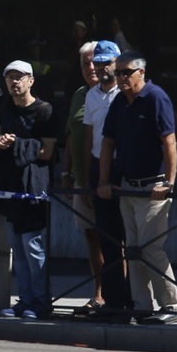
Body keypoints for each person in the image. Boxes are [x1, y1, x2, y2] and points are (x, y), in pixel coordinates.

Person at [98, 50, 177, 324]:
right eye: (117, 72)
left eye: (126, 72)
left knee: (150, 249)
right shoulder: (119, 102)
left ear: (141, 73)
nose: (120, 77)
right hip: (127, 186)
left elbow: (169, 142)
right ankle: (141, 306)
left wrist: (169, 182)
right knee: (132, 250)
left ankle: (172, 306)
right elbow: (107, 143)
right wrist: (103, 181)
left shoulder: (155, 97)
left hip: (152, 188)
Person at [0, 61, 57, 320]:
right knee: (17, 246)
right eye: (9, 78)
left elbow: (47, 151)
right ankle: (24, 300)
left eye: (19, 77)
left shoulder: (44, 110)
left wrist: (19, 145)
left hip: (33, 187)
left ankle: (41, 301)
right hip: (8, 184)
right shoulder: (2, 104)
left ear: (31, 81)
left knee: (33, 247)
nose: (14, 83)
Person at [82, 40, 132, 316]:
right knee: (106, 237)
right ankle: (113, 301)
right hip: (97, 165)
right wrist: (88, 170)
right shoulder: (91, 95)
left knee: (128, 238)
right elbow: (89, 134)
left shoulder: (124, 94)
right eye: (97, 62)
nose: (101, 67)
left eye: (106, 62)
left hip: (120, 167)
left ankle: (130, 298)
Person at [60, 41, 106, 313]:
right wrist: (66, 173)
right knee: (91, 237)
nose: (91, 67)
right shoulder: (80, 94)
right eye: (85, 63)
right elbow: (71, 134)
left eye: (94, 61)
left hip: (107, 182)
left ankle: (117, 296)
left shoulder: (114, 94)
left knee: (112, 240)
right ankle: (99, 294)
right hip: (81, 181)